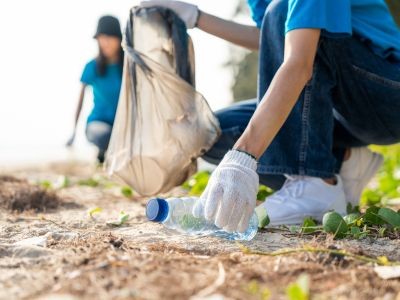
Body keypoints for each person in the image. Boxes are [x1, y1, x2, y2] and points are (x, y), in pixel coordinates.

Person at [141, 0, 400, 232]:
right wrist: (195, 17)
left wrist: (243, 155)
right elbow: (267, 34)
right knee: (212, 133)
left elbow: (299, 61)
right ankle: (343, 163)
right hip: (340, 103)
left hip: (386, 96)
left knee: (285, 13)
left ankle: (314, 181)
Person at [67, 15, 124, 163]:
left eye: (109, 37)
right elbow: (80, 100)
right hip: (99, 122)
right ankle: (104, 151)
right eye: (101, 38)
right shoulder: (91, 66)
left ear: (119, 38)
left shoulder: (129, 67)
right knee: (103, 135)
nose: (105, 42)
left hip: (124, 123)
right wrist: (73, 133)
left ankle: (114, 151)